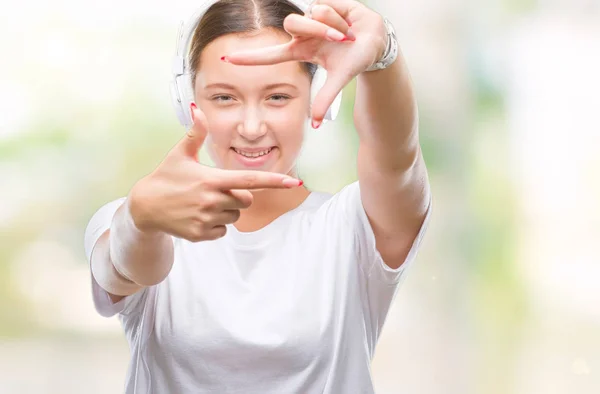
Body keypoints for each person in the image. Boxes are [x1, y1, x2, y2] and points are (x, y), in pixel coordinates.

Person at [84, 0, 432, 392]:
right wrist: (138, 218)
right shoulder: (139, 215)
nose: (251, 127)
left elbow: (396, 158)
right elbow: (125, 268)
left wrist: (382, 54)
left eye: (278, 97)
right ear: (189, 103)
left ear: (320, 97)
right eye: (225, 98)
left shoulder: (354, 227)